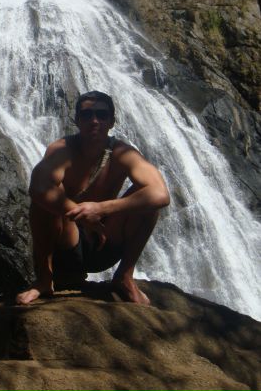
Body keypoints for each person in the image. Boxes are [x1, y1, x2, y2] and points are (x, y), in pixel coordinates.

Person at [16, 90, 170, 306]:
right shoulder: (62, 150)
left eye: (102, 115)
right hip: (67, 245)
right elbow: (38, 187)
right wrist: (83, 215)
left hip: (104, 242)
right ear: (77, 120)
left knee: (147, 202)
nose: (94, 120)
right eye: (87, 115)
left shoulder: (122, 153)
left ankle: (124, 277)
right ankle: (44, 279)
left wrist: (101, 209)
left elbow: (160, 194)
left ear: (112, 122)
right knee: (44, 199)